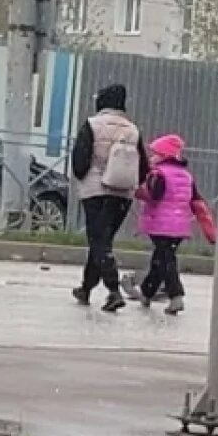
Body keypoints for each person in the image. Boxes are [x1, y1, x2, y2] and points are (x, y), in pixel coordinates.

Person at [69, 83, 149, 312]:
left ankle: (113, 290)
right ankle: (86, 287)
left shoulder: (92, 124)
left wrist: (85, 177)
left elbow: (80, 160)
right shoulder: (133, 130)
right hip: (122, 194)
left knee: (99, 241)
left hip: (95, 191)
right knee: (102, 241)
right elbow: (143, 166)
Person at [124, 134, 213, 315]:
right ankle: (147, 292)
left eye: (154, 154)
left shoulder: (159, 174)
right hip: (179, 226)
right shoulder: (186, 176)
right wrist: (211, 231)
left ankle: (176, 295)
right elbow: (197, 203)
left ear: (164, 156)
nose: (151, 158)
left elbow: (153, 196)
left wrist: (137, 191)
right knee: (161, 259)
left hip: (160, 225)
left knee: (166, 260)